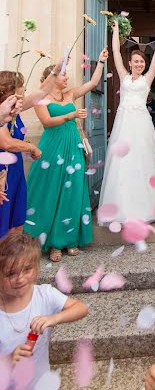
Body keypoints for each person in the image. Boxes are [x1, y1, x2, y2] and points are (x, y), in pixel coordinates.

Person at [24, 48, 108, 262]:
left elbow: (91, 84)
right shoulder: (40, 100)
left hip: (73, 146)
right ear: (51, 78)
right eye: (63, 74)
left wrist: (100, 62)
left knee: (73, 191)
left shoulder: (70, 94)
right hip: (53, 148)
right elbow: (47, 123)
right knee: (52, 191)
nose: (67, 77)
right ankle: (52, 244)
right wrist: (71, 114)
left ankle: (69, 240)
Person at [0, 232, 88, 390]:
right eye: (10, 273)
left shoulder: (44, 295)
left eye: (27, 269)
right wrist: (8, 359)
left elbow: (80, 308)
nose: (20, 278)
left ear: (37, 269)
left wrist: (53, 318)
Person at [99, 18, 155, 224]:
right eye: (136, 62)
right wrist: (114, 31)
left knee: (143, 160)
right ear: (130, 63)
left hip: (141, 124)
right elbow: (115, 53)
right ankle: (123, 206)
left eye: (142, 62)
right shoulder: (123, 75)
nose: (139, 64)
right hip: (124, 125)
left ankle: (146, 205)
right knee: (123, 164)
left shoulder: (147, 79)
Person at [0, 64, 63, 238]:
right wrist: (31, 147)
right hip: (3, 172)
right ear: (10, 92)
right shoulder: (2, 113)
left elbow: (41, 93)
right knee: (3, 220)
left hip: (16, 168)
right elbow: (6, 143)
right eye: (22, 88)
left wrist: (56, 70)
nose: (25, 92)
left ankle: (11, 260)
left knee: (16, 219)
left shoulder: (16, 108)